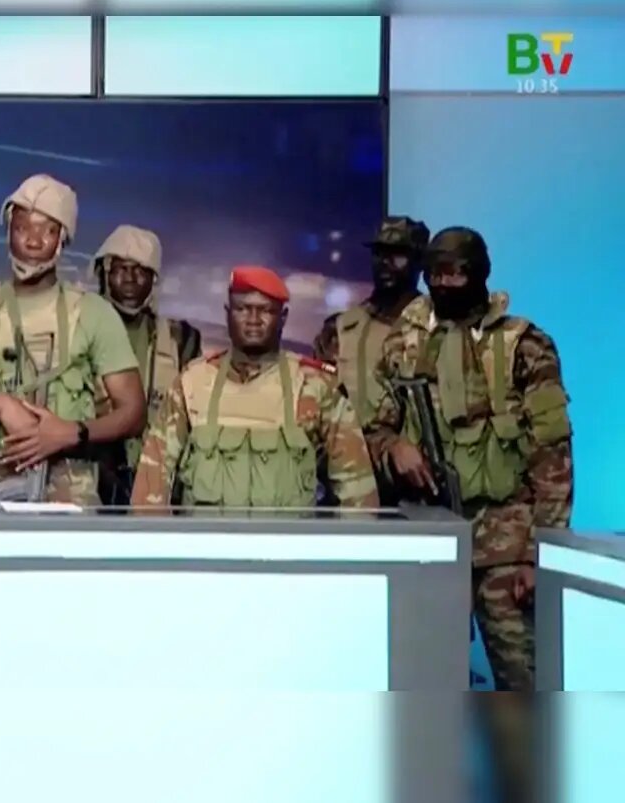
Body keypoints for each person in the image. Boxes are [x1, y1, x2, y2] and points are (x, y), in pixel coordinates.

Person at [365, 227, 573, 690]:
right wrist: (395, 447)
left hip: (508, 547)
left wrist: (539, 554)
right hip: (432, 539)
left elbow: (553, 455)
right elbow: (375, 427)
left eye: (455, 273)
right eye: (435, 274)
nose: (444, 284)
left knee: (524, 683)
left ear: (479, 273)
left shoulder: (524, 345)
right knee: (425, 683)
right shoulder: (404, 344)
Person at [0, 174, 145, 504]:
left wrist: (72, 432)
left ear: (62, 238)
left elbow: (133, 412)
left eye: (47, 231)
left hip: (69, 491)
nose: (33, 241)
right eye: (23, 228)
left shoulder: (94, 314)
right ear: (9, 231)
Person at [131, 266, 379, 513]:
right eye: (242, 309)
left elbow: (357, 491)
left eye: (265, 310)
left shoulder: (316, 387)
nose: (253, 319)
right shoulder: (191, 383)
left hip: (284, 538)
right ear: (227, 313)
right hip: (209, 537)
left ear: (283, 318)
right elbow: (151, 485)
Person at [90, 225, 201, 509]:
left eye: (140, 270)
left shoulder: (181, 341)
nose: (130, 278)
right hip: (91, 477)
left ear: (154, 279)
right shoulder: (79, 333)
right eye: (121, 269)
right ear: (104, 273)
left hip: (159, 482)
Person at [313, 216, 429, 425]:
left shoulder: (436, 326)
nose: (385, 263)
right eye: (379, 253)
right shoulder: (339, 330)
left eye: (397, 255)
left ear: (419, 262)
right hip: (350, 441)